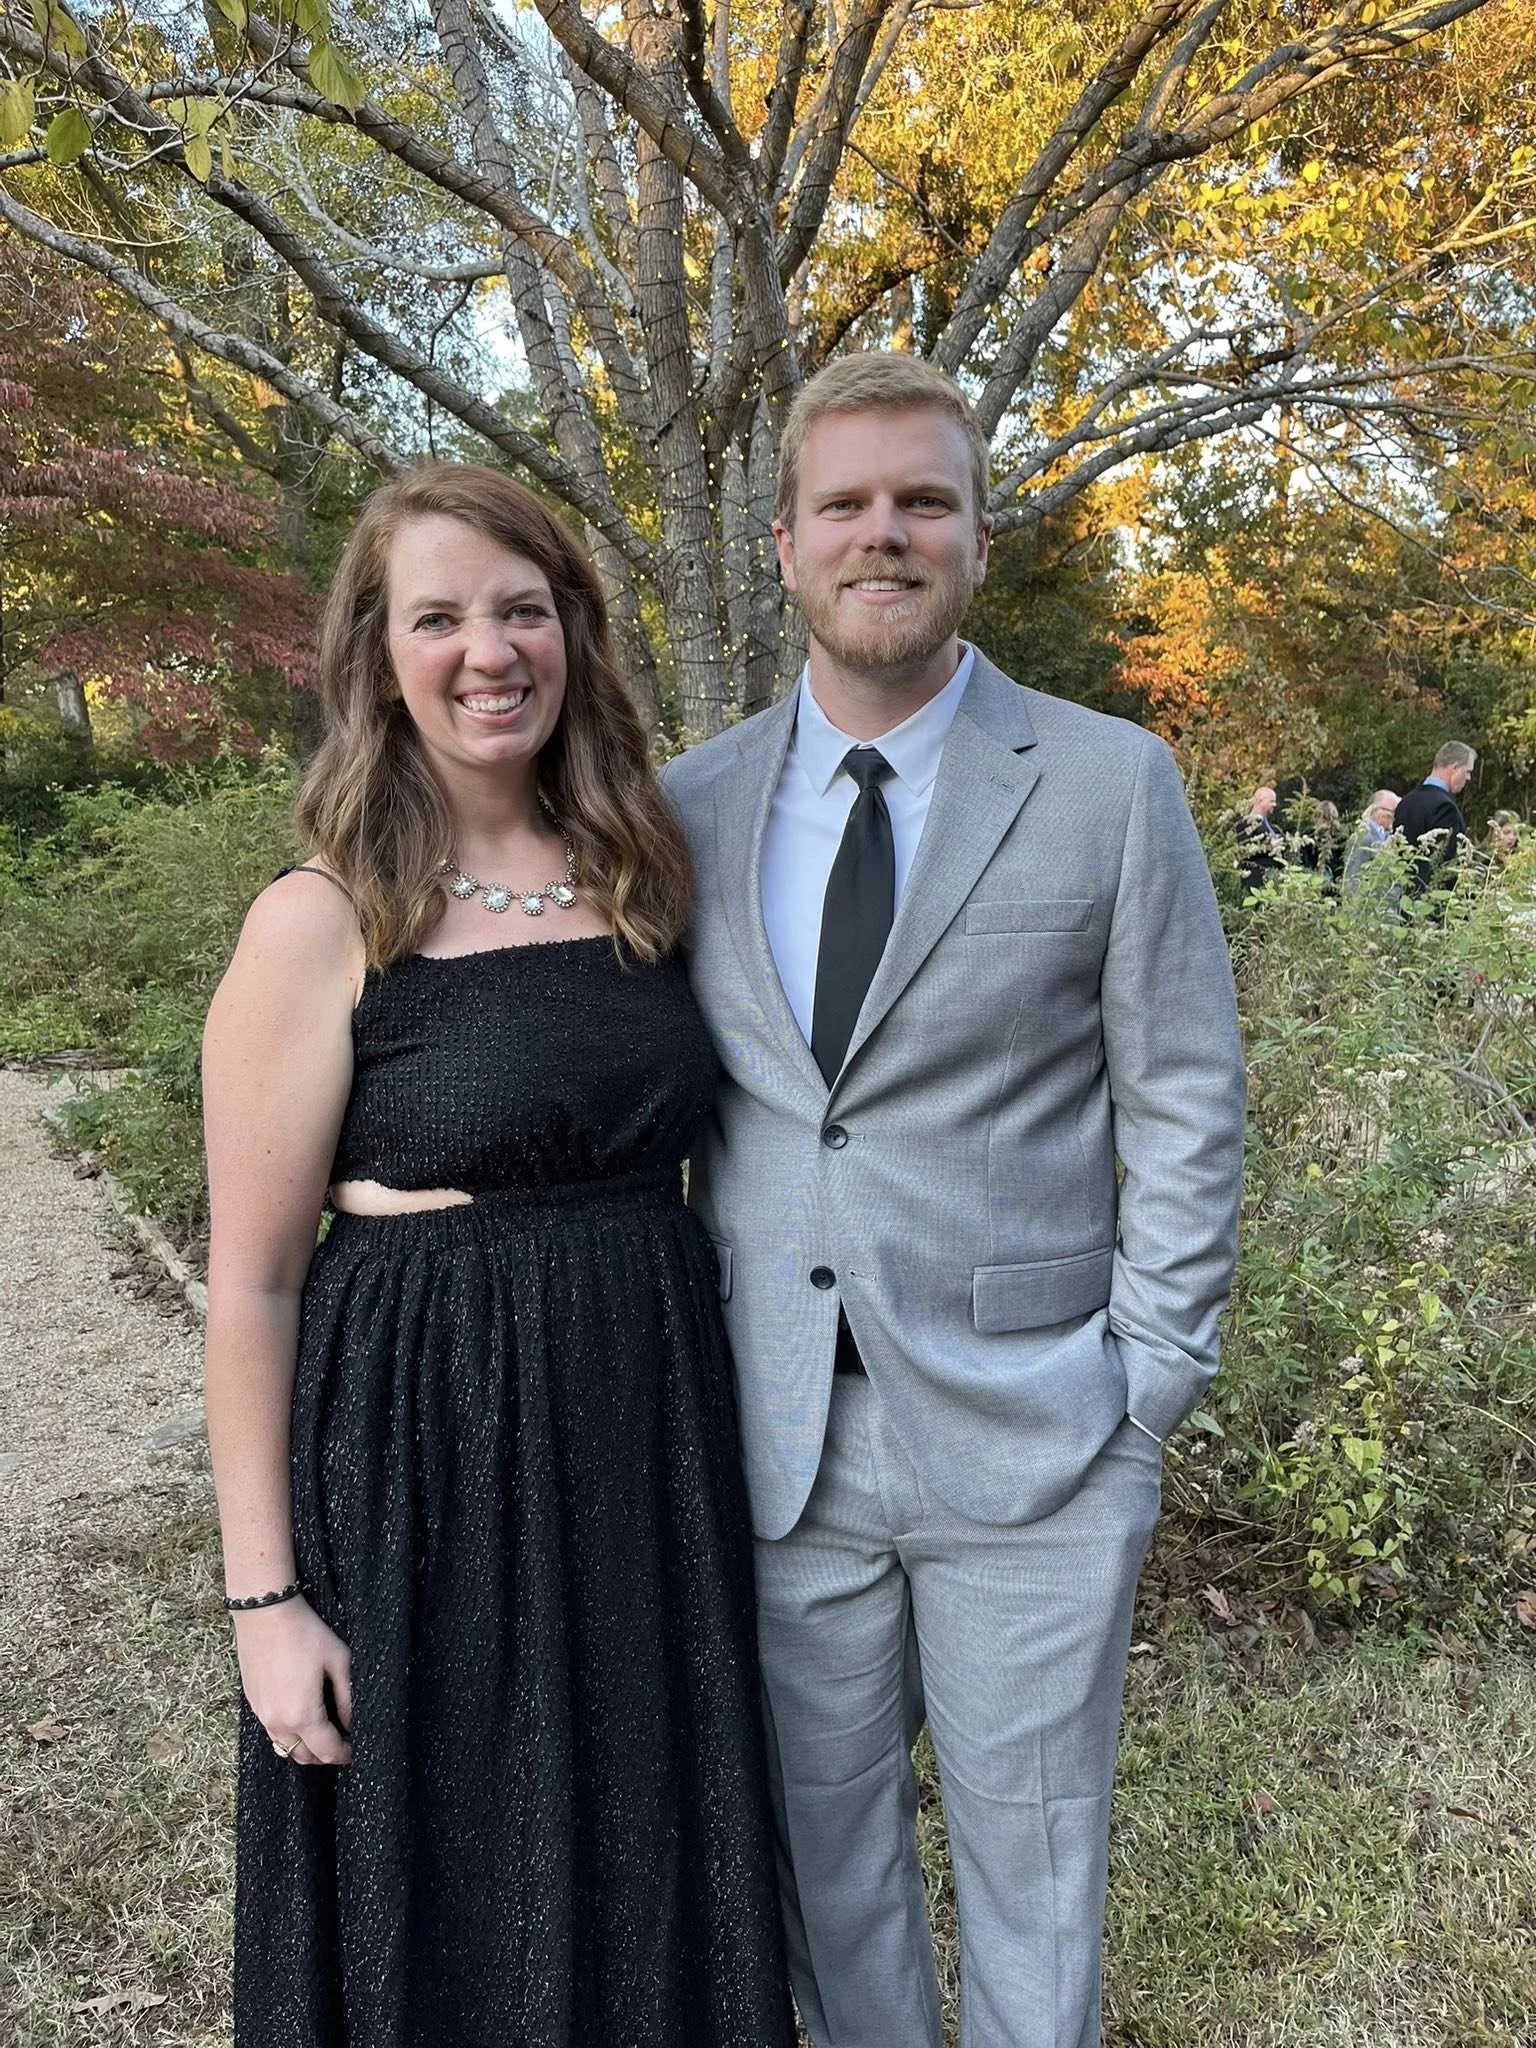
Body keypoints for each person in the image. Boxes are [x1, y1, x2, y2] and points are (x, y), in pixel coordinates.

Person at [661, 354, 1247, 2048]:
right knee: (823, 1866)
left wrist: (1147, 1383)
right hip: (776, 1438)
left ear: (980, 538)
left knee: (1036, 1862)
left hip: (1039, 1430)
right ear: (784, 544)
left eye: (924, 500)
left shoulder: (1110, 782)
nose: (885, 533)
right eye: (845, 503)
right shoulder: (690, 805)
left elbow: (1187, 1095)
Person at [201, 465, 794, 2048]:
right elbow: (252, 1285)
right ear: (376, 655)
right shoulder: (322, 920)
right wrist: (265, 1601)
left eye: (522, 610)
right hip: (425, 1473)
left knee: (645, 1847)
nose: (488, 651)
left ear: (573, 632)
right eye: (439, 618)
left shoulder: (645, 875)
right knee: (456, 1876)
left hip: (648, 1455)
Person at [1395, 741, 1476, 894]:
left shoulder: (1406, 802)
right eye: (1467, 771)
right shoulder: (1445, 807)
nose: (1469, 778)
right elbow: (1445, 865)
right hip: (1432, 898)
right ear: (1455, 768)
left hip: (1403, 895)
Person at [1342, 788, 1400, 895]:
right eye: (1392, 811)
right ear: (1377, 811)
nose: (1394, 816)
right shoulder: (1363, 837)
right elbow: (1352, 877)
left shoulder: (1384, 836)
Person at [1234, 783, 1284, 892]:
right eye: (1271, 801)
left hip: (1270, 880)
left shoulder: (1267, 823)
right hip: (1255, 880)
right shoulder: (1246, 823)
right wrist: (1269, 846)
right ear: (1261, 801)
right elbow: (1245, 849)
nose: (1275, 804)